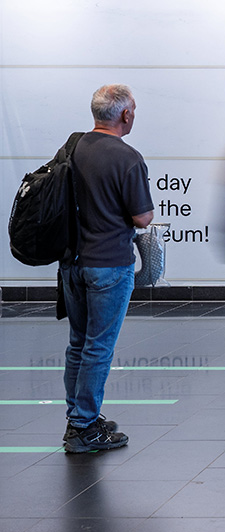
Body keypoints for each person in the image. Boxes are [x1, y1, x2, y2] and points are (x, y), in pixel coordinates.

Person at [61, 84, 155, 454]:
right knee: (99, 347)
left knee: (78, 344)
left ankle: (79, 417)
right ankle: (84, 427)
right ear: (125, 114)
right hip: (109, 265)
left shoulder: (73, 147)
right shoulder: (128, 157)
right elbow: (143, 217)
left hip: (72, 263)